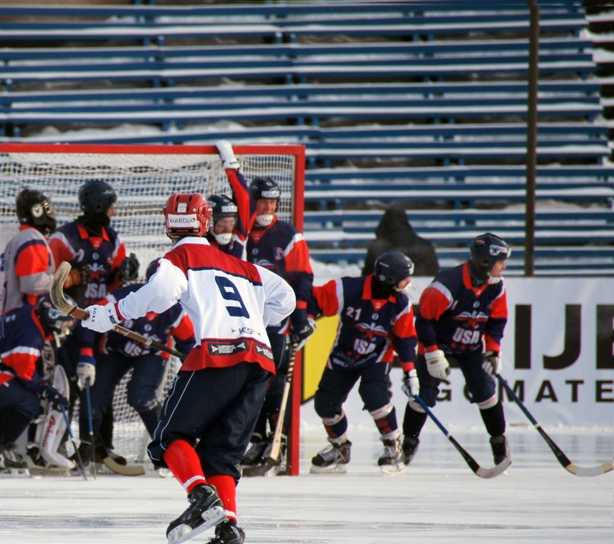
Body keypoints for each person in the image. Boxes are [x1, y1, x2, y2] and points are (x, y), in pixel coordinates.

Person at [81, 192, 295, 544]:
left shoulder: (178, 258)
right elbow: (286, 298)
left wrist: (112, 312)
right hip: (259, 360)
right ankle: (227, 535)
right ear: (206, 222)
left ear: (169, 225)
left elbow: (161, 294)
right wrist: (252, 324)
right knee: (221, 456)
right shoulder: (241, 265)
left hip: (217, 355)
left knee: (168, 437)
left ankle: (201, 497)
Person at [214, 142, 317, 470]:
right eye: (263, 202)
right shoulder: (240, 233)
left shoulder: (288, 234)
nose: (268, 207)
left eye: (273, 202)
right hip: (247, 321)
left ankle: (278, 439)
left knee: (274, 382)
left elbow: (302, 276)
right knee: (248, 381)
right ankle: (256, 438)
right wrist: (232, 168)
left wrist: (300, 314)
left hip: (276, 322)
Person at [400, 234, 511, 467]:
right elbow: (424, 321)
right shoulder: (446, 286)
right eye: (500, 261)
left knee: (486, 391)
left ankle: (500, 446)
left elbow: (497, 320)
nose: (504, 266)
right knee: (422, 395)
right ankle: (407, 444)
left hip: (471, 348)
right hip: (438, 344)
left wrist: (493, 350)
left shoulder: (496, 286)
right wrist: (432, 353)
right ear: (485, 262)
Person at [307, 252, 419, 474]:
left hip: (376, 356)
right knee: (325, 404)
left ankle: (393, 447)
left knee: (373, 395)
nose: (408, 283)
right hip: (344, 354)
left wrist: (410, 372)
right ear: (388, 279)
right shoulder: (347, 289)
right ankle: (340, 448)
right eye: (404, 279)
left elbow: (405, 339)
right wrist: (307, 319)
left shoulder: (401, 303)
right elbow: (314, 299)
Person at [78, 259, 196, 468]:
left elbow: (187, 341)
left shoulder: (175, 310)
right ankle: (88, 447)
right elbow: (89, 319)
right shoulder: (122, 296)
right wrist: (86, 354)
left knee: (141, 397)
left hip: (152, 353)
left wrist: (192, 364)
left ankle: (168, 449)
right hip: (114, 350)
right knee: (95, 397)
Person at [48, 180, 129, 451]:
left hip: (102, 326)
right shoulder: (63, 238)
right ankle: (57, 445)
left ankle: (99, 448)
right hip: (69, 328)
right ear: (98, 206)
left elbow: (116, 287)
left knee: (99, 389)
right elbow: (50, 286)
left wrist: (124, 274)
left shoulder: (114, 240)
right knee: (68, 388)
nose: (114, 212)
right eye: (111, 206)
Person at [0, 297, 73, 477]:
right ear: (53, 318)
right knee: (28, 404)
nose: (70, 324)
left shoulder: (30, 311)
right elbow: (26, 374)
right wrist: (49, 392)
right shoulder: (30, 338)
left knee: (9, 406)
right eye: (67, 320)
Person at [1, 188, 57, 314]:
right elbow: (32, 284)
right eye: (47, 209)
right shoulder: (31, 238)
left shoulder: (20, 239)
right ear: (36, 211)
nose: (51, 213)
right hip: (25, 317)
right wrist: (66, 280)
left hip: (14, 315)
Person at [361, 204, 440, 278]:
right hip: (421, 286)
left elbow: (367, 277)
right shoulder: (425, 245)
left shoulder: (377, 247)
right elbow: (433, 273)